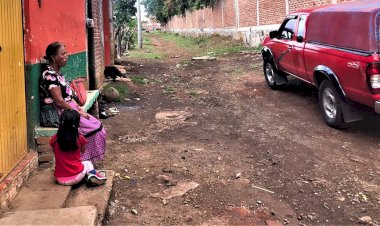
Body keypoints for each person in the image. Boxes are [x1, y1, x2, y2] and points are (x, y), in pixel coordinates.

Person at [40, 41, 106, 162]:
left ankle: (84, 160)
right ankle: (80, 160)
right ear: (53, 57)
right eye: (62, 54)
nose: (66, 56)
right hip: (58, 112)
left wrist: (79, 108)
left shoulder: (57, 73)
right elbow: (59, 101)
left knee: (98, 126)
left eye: (66, 53)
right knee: (94, 130)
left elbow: (68, 97)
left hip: (69, 108)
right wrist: (78, 112)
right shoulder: (49, 75)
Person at [50, 109, 107, 186]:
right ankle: (91, 176)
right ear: (76, 124)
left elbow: (55, 152)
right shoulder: (79, 138)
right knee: (87, 163)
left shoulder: (54, 139)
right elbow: (83, 151)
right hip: (76, 177)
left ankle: (90, 176)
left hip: (59, 179)